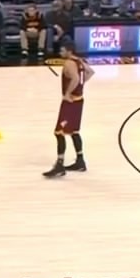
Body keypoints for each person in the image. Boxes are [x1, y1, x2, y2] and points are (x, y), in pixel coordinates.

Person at [43, 40, 93, 177]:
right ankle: (80, 161)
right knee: (74, 131)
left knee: (59, 132)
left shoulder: (69, 63)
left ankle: (59, 165)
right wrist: (80, 87)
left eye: (62, 50)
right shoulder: (80, 61)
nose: (60, 52)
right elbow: (90, 72)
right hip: (79, 100)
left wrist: (67, 93)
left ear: (69, 51)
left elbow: (75, 78)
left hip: (70, 102)